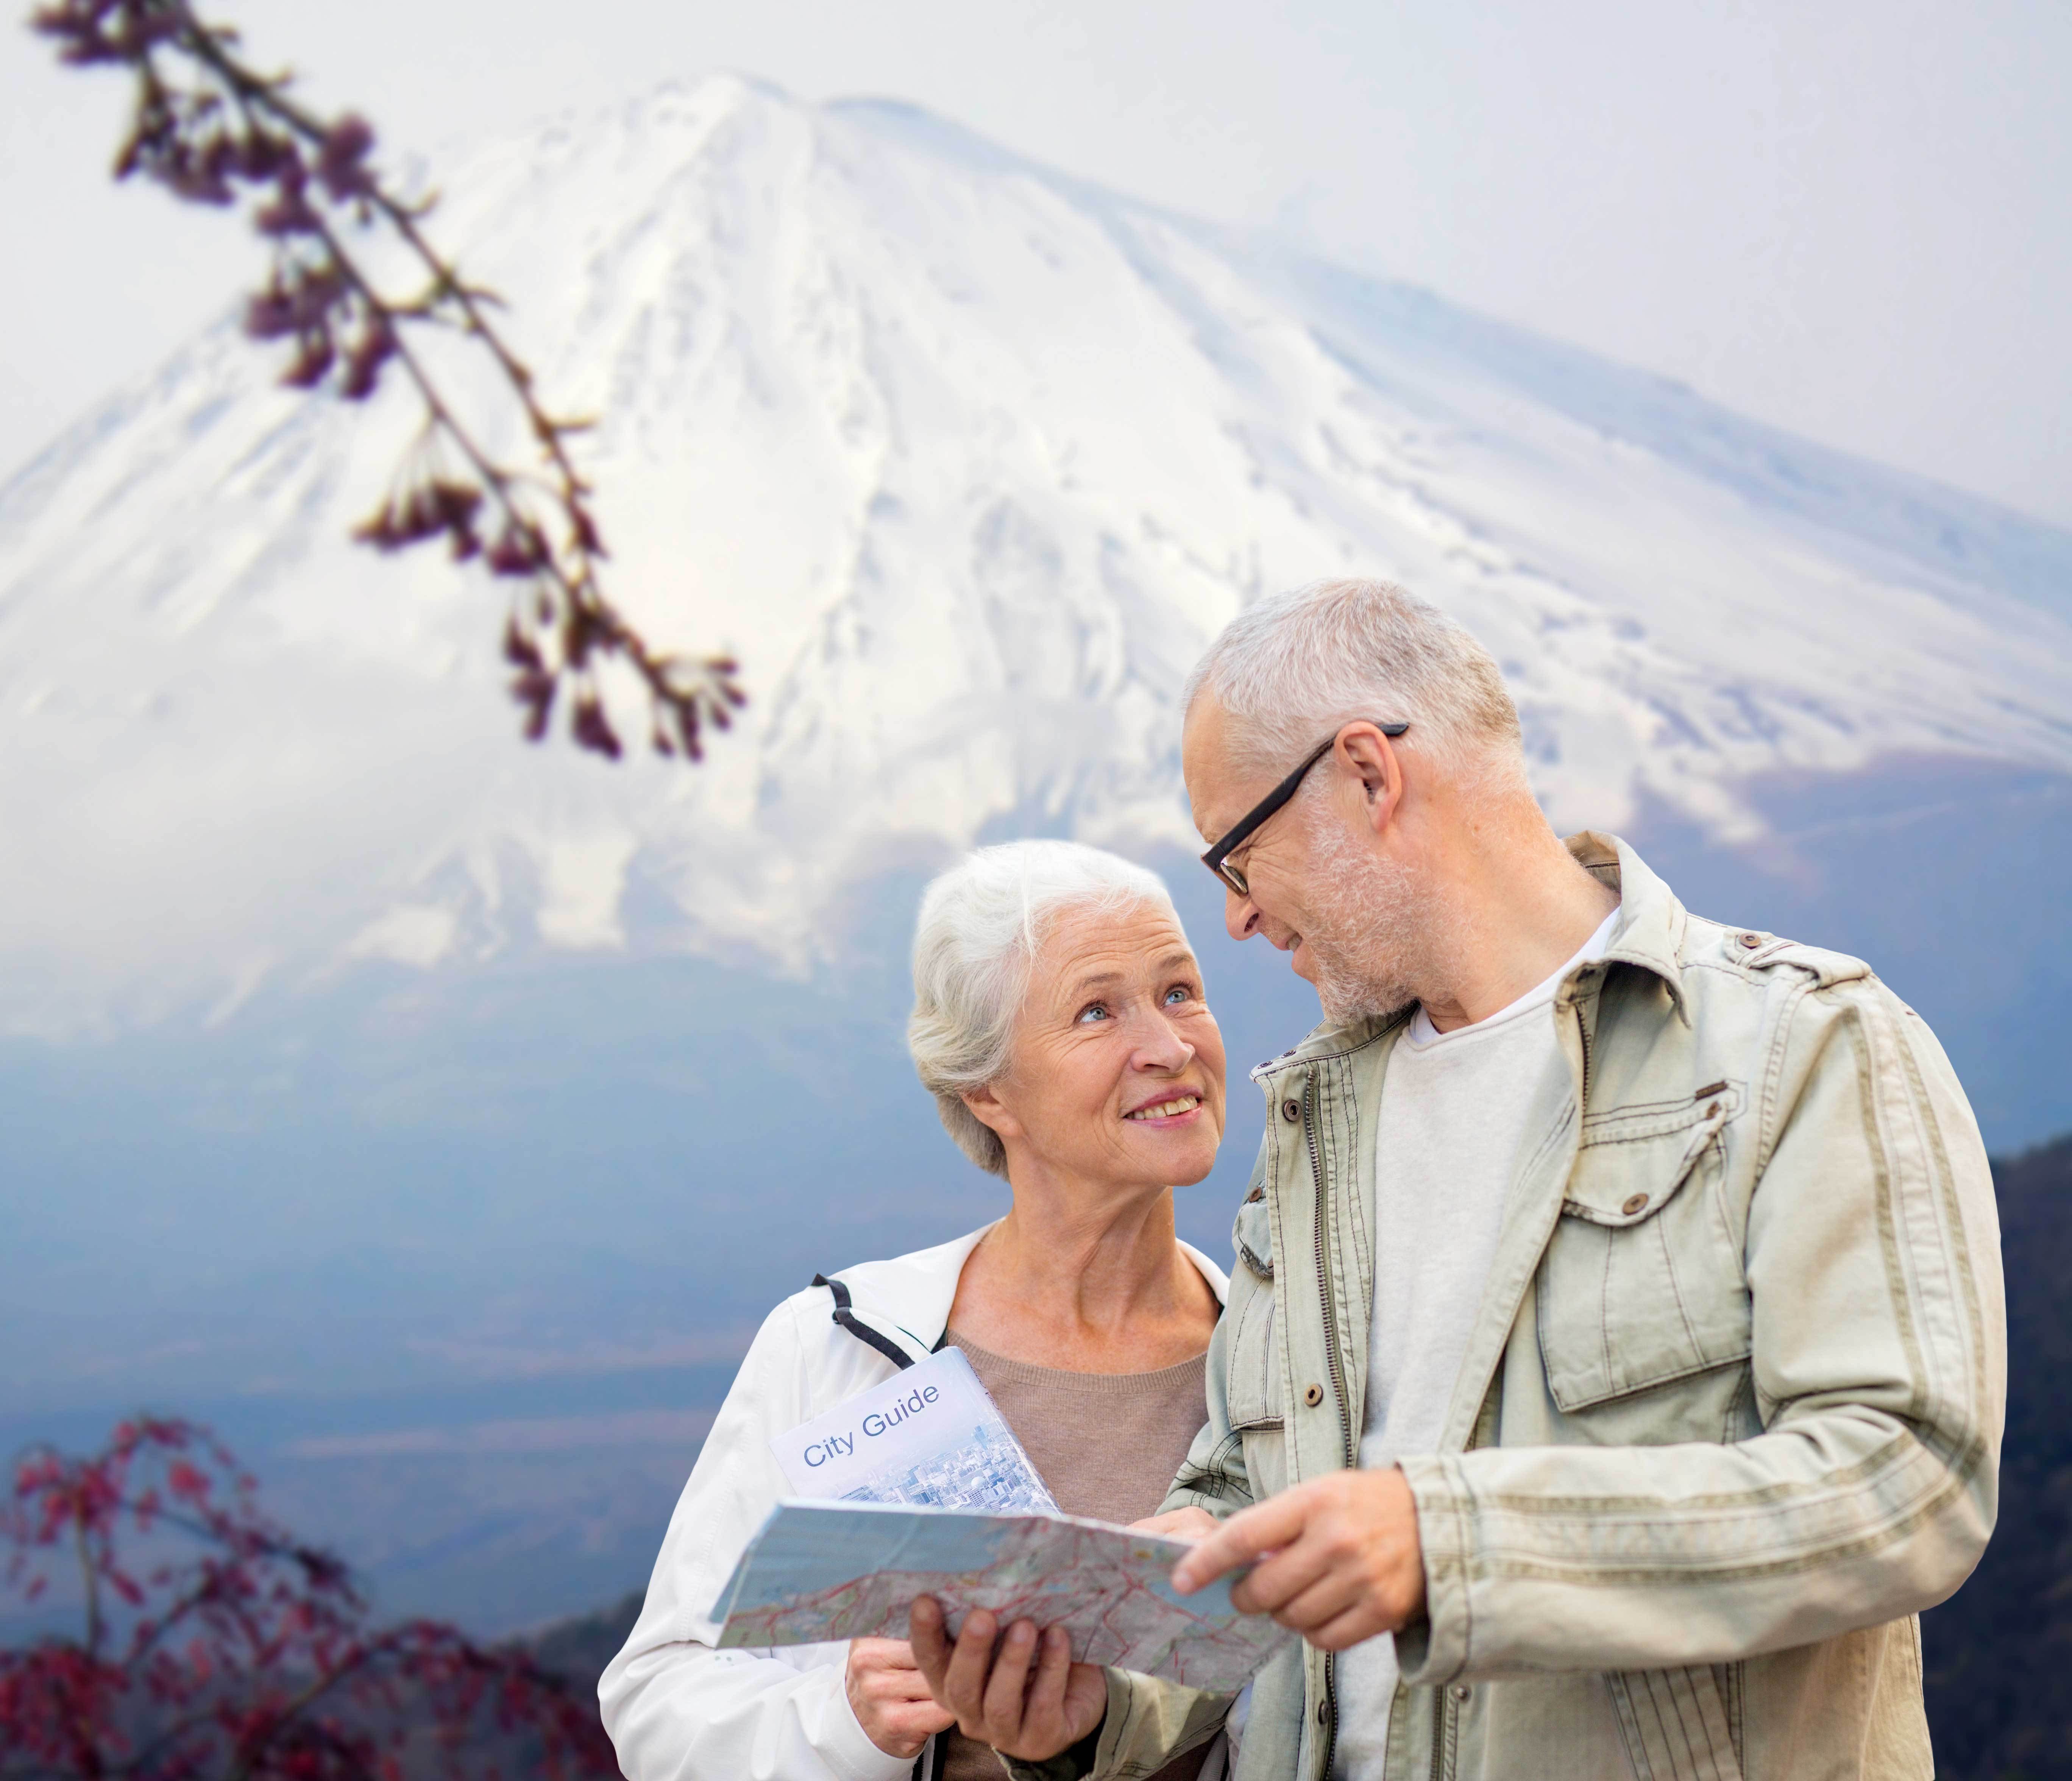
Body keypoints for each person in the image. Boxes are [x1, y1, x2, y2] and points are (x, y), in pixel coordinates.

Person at [916, 579, 2005, 1781]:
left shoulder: (1803, 1046)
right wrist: (1092, 1710)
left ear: (1370, 777)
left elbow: (1909, 1481)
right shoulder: (1313, 1120)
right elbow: (1242, 1507)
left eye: (1237, 852)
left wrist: (1454, 1545)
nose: (1233, 919)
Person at [599, 839, 1236, 1781]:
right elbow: (657, 1702)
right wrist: (850, 1722)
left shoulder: (1279, 1361)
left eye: (1180, 991)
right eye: (1097, 1010)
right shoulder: (837, 1347)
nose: (1170, 1046)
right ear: (989, 1091)